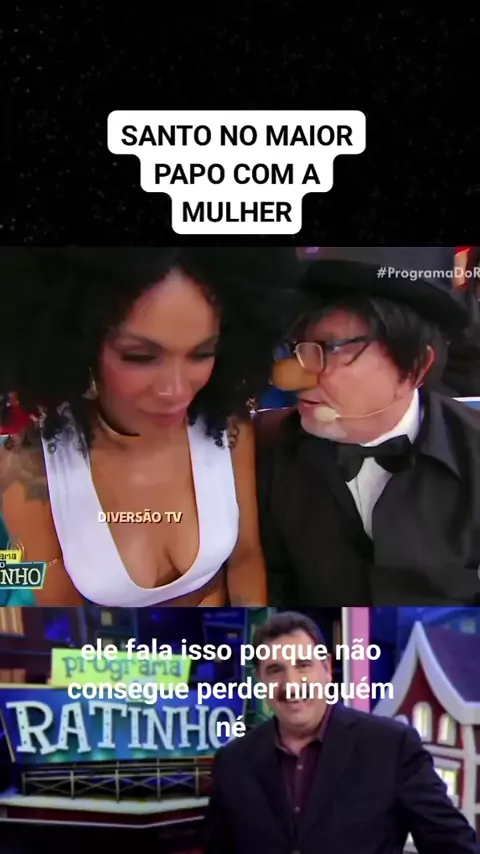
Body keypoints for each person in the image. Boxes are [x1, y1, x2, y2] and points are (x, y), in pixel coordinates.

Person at [0, 247, 300, 607]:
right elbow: (63, 615)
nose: (176, 390)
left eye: (202, 354)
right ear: (83, 343)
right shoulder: (29, 467)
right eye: (140, 357)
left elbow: (245, 558)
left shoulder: (228, 428)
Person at [255, 248, 480, 606]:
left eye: (329, 349)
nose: (293, 376)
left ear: (416, 367)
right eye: (296, 349)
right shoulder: (264, 453)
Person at [203, 611, 480, 854]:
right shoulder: (233, 762)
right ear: (260, 680)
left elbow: (452, 844)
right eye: (275, 670)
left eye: (303, 666)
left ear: (326, 669)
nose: (292, 683)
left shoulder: (391, 746)